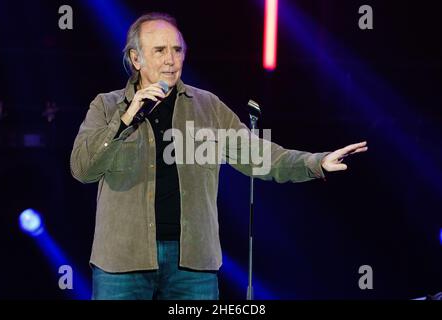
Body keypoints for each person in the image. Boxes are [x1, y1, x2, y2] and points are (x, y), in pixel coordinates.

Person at [70, 12, 368, 300]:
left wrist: (317, 162)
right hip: (123, 262)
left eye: (177, 50)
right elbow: (83, 169)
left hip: (192, 265)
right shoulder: (107, 106)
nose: (171, 60)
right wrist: (126, 118)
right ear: (136, 59)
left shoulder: (207, 107)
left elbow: (261, 155)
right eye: (159, 50)